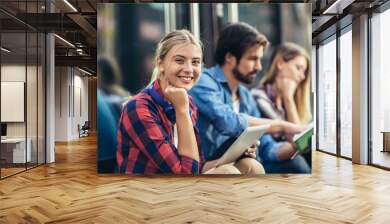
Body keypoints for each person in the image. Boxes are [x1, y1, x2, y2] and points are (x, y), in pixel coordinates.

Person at [116, 30, 264, 174]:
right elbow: (186, 174)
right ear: (160, 64)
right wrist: (182, 110)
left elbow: (197, 166)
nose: (189, 69)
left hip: (178, 186)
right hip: (149, 193)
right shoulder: (139, 108)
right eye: (179, 60)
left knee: (250, 166)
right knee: (227, 172)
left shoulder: (188, 103)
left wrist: (236, 153)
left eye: (195, 62)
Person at [189, 22, 311, 173]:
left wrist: (298, 145)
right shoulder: (204, 81)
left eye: (259, 59)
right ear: (230, 58)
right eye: (253, 59)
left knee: (292, 163)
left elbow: (267, 148)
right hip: (205, 165)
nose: (259, 67)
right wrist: (282, 125)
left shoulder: (246, 97)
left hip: (235, 164)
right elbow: (228, 122)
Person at [252, 42, 312, 125]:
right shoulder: (257, 97)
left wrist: (288, 99)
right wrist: (288, 99)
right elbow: (295, 134)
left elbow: (300, 136)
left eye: (304, 72)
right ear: (280, 64)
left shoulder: (286, 103)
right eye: (298, 68)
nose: (302, 77)